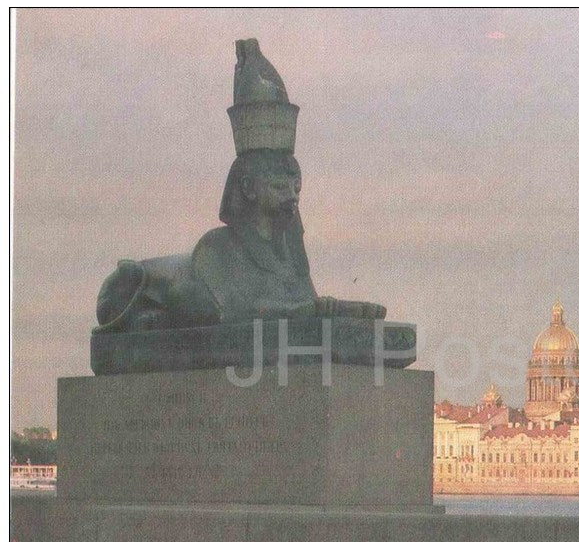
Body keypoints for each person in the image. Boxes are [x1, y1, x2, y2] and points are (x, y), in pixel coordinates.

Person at [94, 39, 382, 333]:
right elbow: (234, 311)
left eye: (296, 187)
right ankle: (148, 313)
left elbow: (310, 305)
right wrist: (303, 311)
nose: (292, 196)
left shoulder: (289, 252)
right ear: (248, 188)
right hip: (133, 290)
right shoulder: (216, 247)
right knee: (132, 282)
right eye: (279, 187)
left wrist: (344, 310)